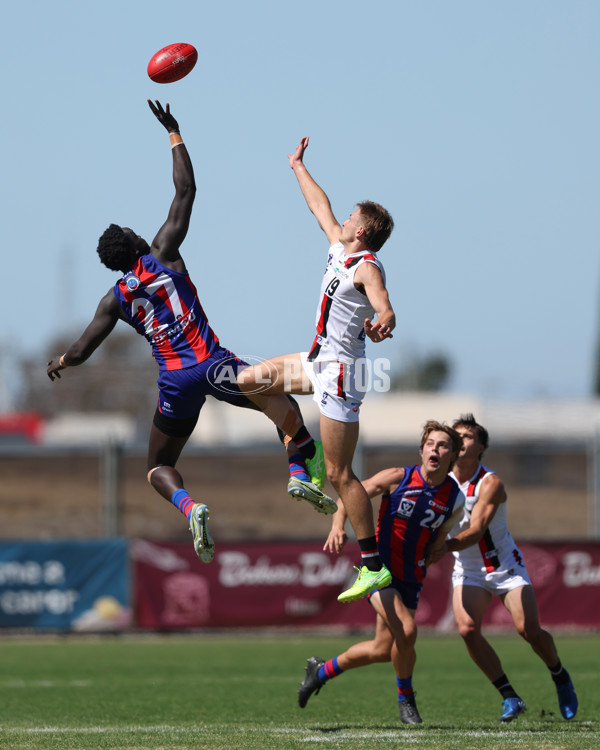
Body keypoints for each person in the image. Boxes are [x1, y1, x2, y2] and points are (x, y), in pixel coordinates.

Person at [47, 100, 337, 565]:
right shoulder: (162, 253)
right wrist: (174, 133)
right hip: (214, 366)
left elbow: (82, 350)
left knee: (158, 466)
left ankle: (191, 506)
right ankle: (299, 466)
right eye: (132, 228)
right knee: (280, 402)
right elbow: (186, 189)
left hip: (174, 382)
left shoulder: (114, 298)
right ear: (136, 242)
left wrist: (60, 362)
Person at [238, 135, 396, 603]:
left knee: (340, 475)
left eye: (352, 218)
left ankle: (372, 566)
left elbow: (384, 306)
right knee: (248, 381)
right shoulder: (338, 248)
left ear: (363, 232)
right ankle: (299, 445)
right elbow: (319, 208)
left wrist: (383, 323)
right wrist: (297, 167)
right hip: (318, 361)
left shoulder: (366, 266)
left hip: (343, 375)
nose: (343, 220)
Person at [298, 421, 465, 724]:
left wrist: (435, 551)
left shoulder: (455, 498)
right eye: (430, 443)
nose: (435, 449)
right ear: (422, 449)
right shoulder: (398, 477)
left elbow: (439, 539)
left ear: (452, 455)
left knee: (380, 649)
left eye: (442, 445)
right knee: (409, 631)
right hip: (378, 571)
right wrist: (338, 525)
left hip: (411, 578)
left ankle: (320, 671)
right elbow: (351, 494)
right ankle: (407, 700)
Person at [431, 414, 578, 723]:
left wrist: (443, 547)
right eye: (455, 436)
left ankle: (560, 675)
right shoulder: (438, 480)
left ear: (481, 446)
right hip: (468, 570)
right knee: (467, 629)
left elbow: (476, 529)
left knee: (528, 630)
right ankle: (509, 696)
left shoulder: (490, 482)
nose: (460, 440)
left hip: (504, 566)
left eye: (468, 436)